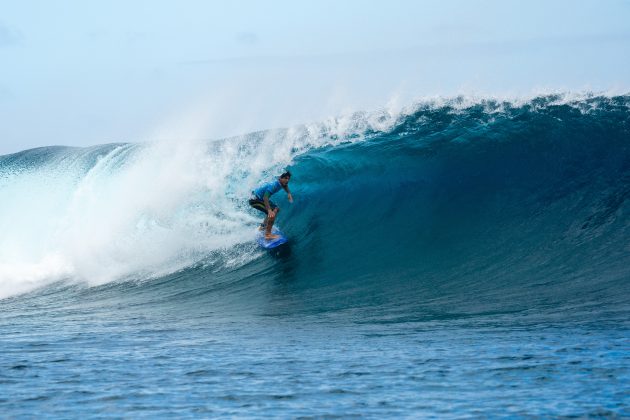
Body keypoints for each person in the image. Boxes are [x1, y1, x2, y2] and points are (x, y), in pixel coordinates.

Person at [249, 171, 293, 240]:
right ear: (280, 178)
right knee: (272, 212)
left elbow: (285, 185)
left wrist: (289, 193)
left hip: (259, 198)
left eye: (288, 179)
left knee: (276, 209)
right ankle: (268, 235)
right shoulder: (274, 185)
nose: (287, 180)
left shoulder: (281, 182)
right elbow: (265, 197)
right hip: (255, 200)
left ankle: (263, 227)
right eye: (285, 178)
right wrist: (269, 210)